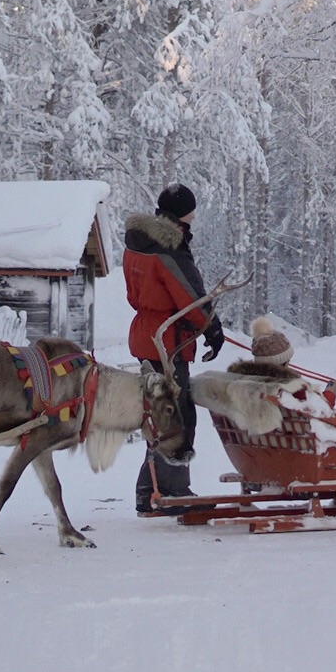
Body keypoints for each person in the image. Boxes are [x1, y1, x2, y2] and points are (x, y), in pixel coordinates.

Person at [124, 182, 225, 513]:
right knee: (177, 414)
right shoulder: (169, 248)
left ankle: (148, 491)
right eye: (192, 210)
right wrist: (212, 329)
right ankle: (170, 493)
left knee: (160, 412)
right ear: (184, 213)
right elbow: (191, 298)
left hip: (146, 334)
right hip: (165, 340)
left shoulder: (138, 242)